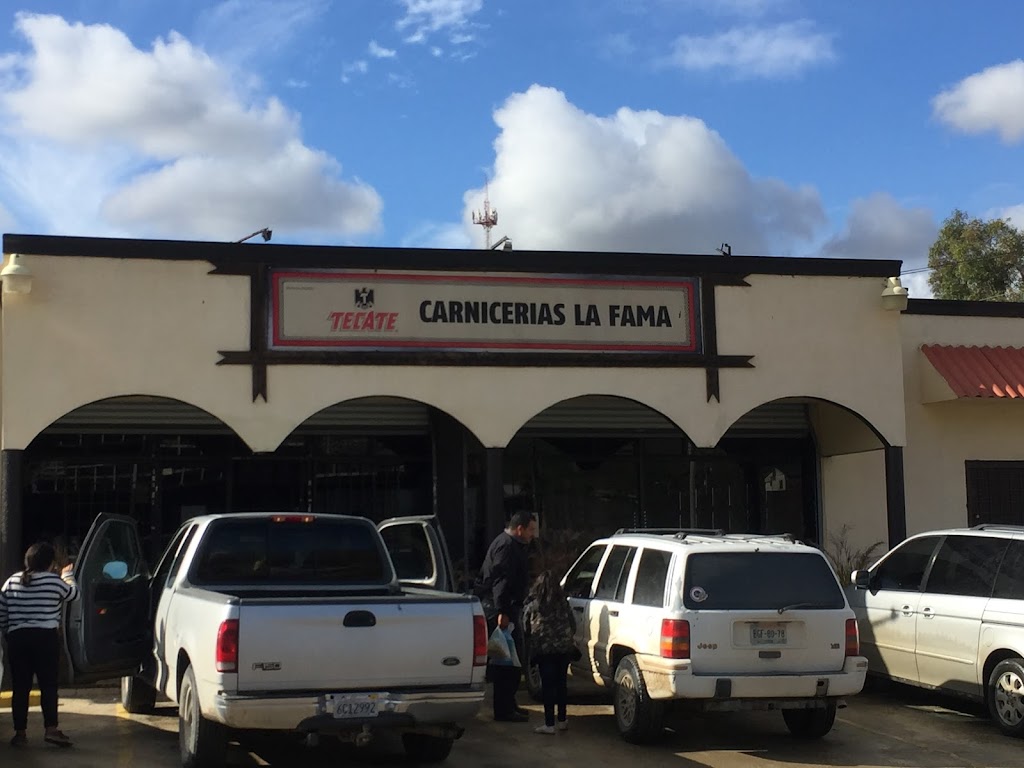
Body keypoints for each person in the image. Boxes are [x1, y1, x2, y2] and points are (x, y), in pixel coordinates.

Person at [0, 542, 79, 748]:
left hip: (18, 639)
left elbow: (2, 612)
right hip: (45, 639)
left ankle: (20, 733)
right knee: (48, 685)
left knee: (20, 687)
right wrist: (67, 576)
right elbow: (73, 595)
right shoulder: (54, 581)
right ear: (50, 562)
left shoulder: (12, 581)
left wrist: (9, 631)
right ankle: (51, 730)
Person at [474, 510, 537, 722]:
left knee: (513, 662)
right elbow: (500, 581)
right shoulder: (507, 547)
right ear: (519, 529)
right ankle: (503, 710)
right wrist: (502, 612)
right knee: (505, 663)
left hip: (507, 608)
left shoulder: (512, 545)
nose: (532, 535)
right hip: (500, 610)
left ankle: (510, 704)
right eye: (530, 530)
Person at [522, 570, 576, 735]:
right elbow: (572, 625)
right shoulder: (563, 604)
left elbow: (526, 627)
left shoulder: (534, 606)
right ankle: (562, 720)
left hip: (544, 651)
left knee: (547, 686)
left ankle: (549, 723)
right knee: (561, 684)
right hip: (563, 649)